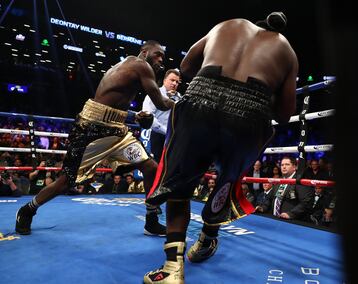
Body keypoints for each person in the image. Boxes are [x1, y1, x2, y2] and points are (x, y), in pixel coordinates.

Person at [143, 12, 298, 283]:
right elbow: (285, 114)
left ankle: (171, 270)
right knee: (227, 181)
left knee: (179, 184)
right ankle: (208, 238)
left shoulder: (229, 25)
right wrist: (259, 92)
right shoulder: (287, 50)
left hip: (200, 101)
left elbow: (186, 66)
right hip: (249, 117)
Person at [15, 40, 174, 237]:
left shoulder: (130, 67)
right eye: (157, 54)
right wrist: (183, 104)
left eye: (163, 58)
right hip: (91, 130)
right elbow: (160, 102)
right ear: (144, 51)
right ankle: (27, 209)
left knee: (150, 167)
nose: (160, 60)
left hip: (117, 131)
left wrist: (134, 116)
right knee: (65, 182)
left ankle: (151, 221)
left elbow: (113, 102)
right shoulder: (141, 65)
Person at [142, 69, 182, 162]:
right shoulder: (155, 94)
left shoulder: (179, 97)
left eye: (177, 81)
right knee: (157, 165)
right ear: (164, 80)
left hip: (173, 137)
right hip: (158, 135)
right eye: (172, 80)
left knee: (170, 165)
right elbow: (149, 116)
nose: (175, 83)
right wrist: (167, 131)